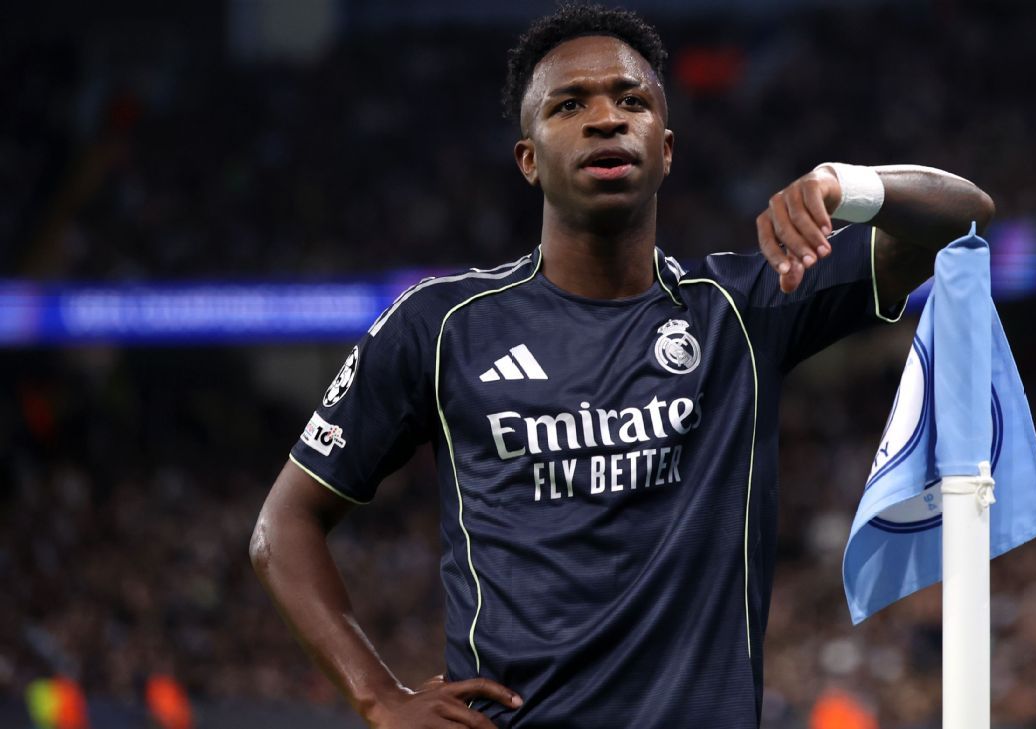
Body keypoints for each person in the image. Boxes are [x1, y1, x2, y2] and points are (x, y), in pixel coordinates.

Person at [249, 4, 993, 728]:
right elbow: (281, 526)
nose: (605, 118)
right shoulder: (441, 325)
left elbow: (966, 217)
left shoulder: (745, 308)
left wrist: (845, 184)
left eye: (631, 100)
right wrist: (380, 698)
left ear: (665, 149)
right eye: (569, 104)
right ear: (528, 159)